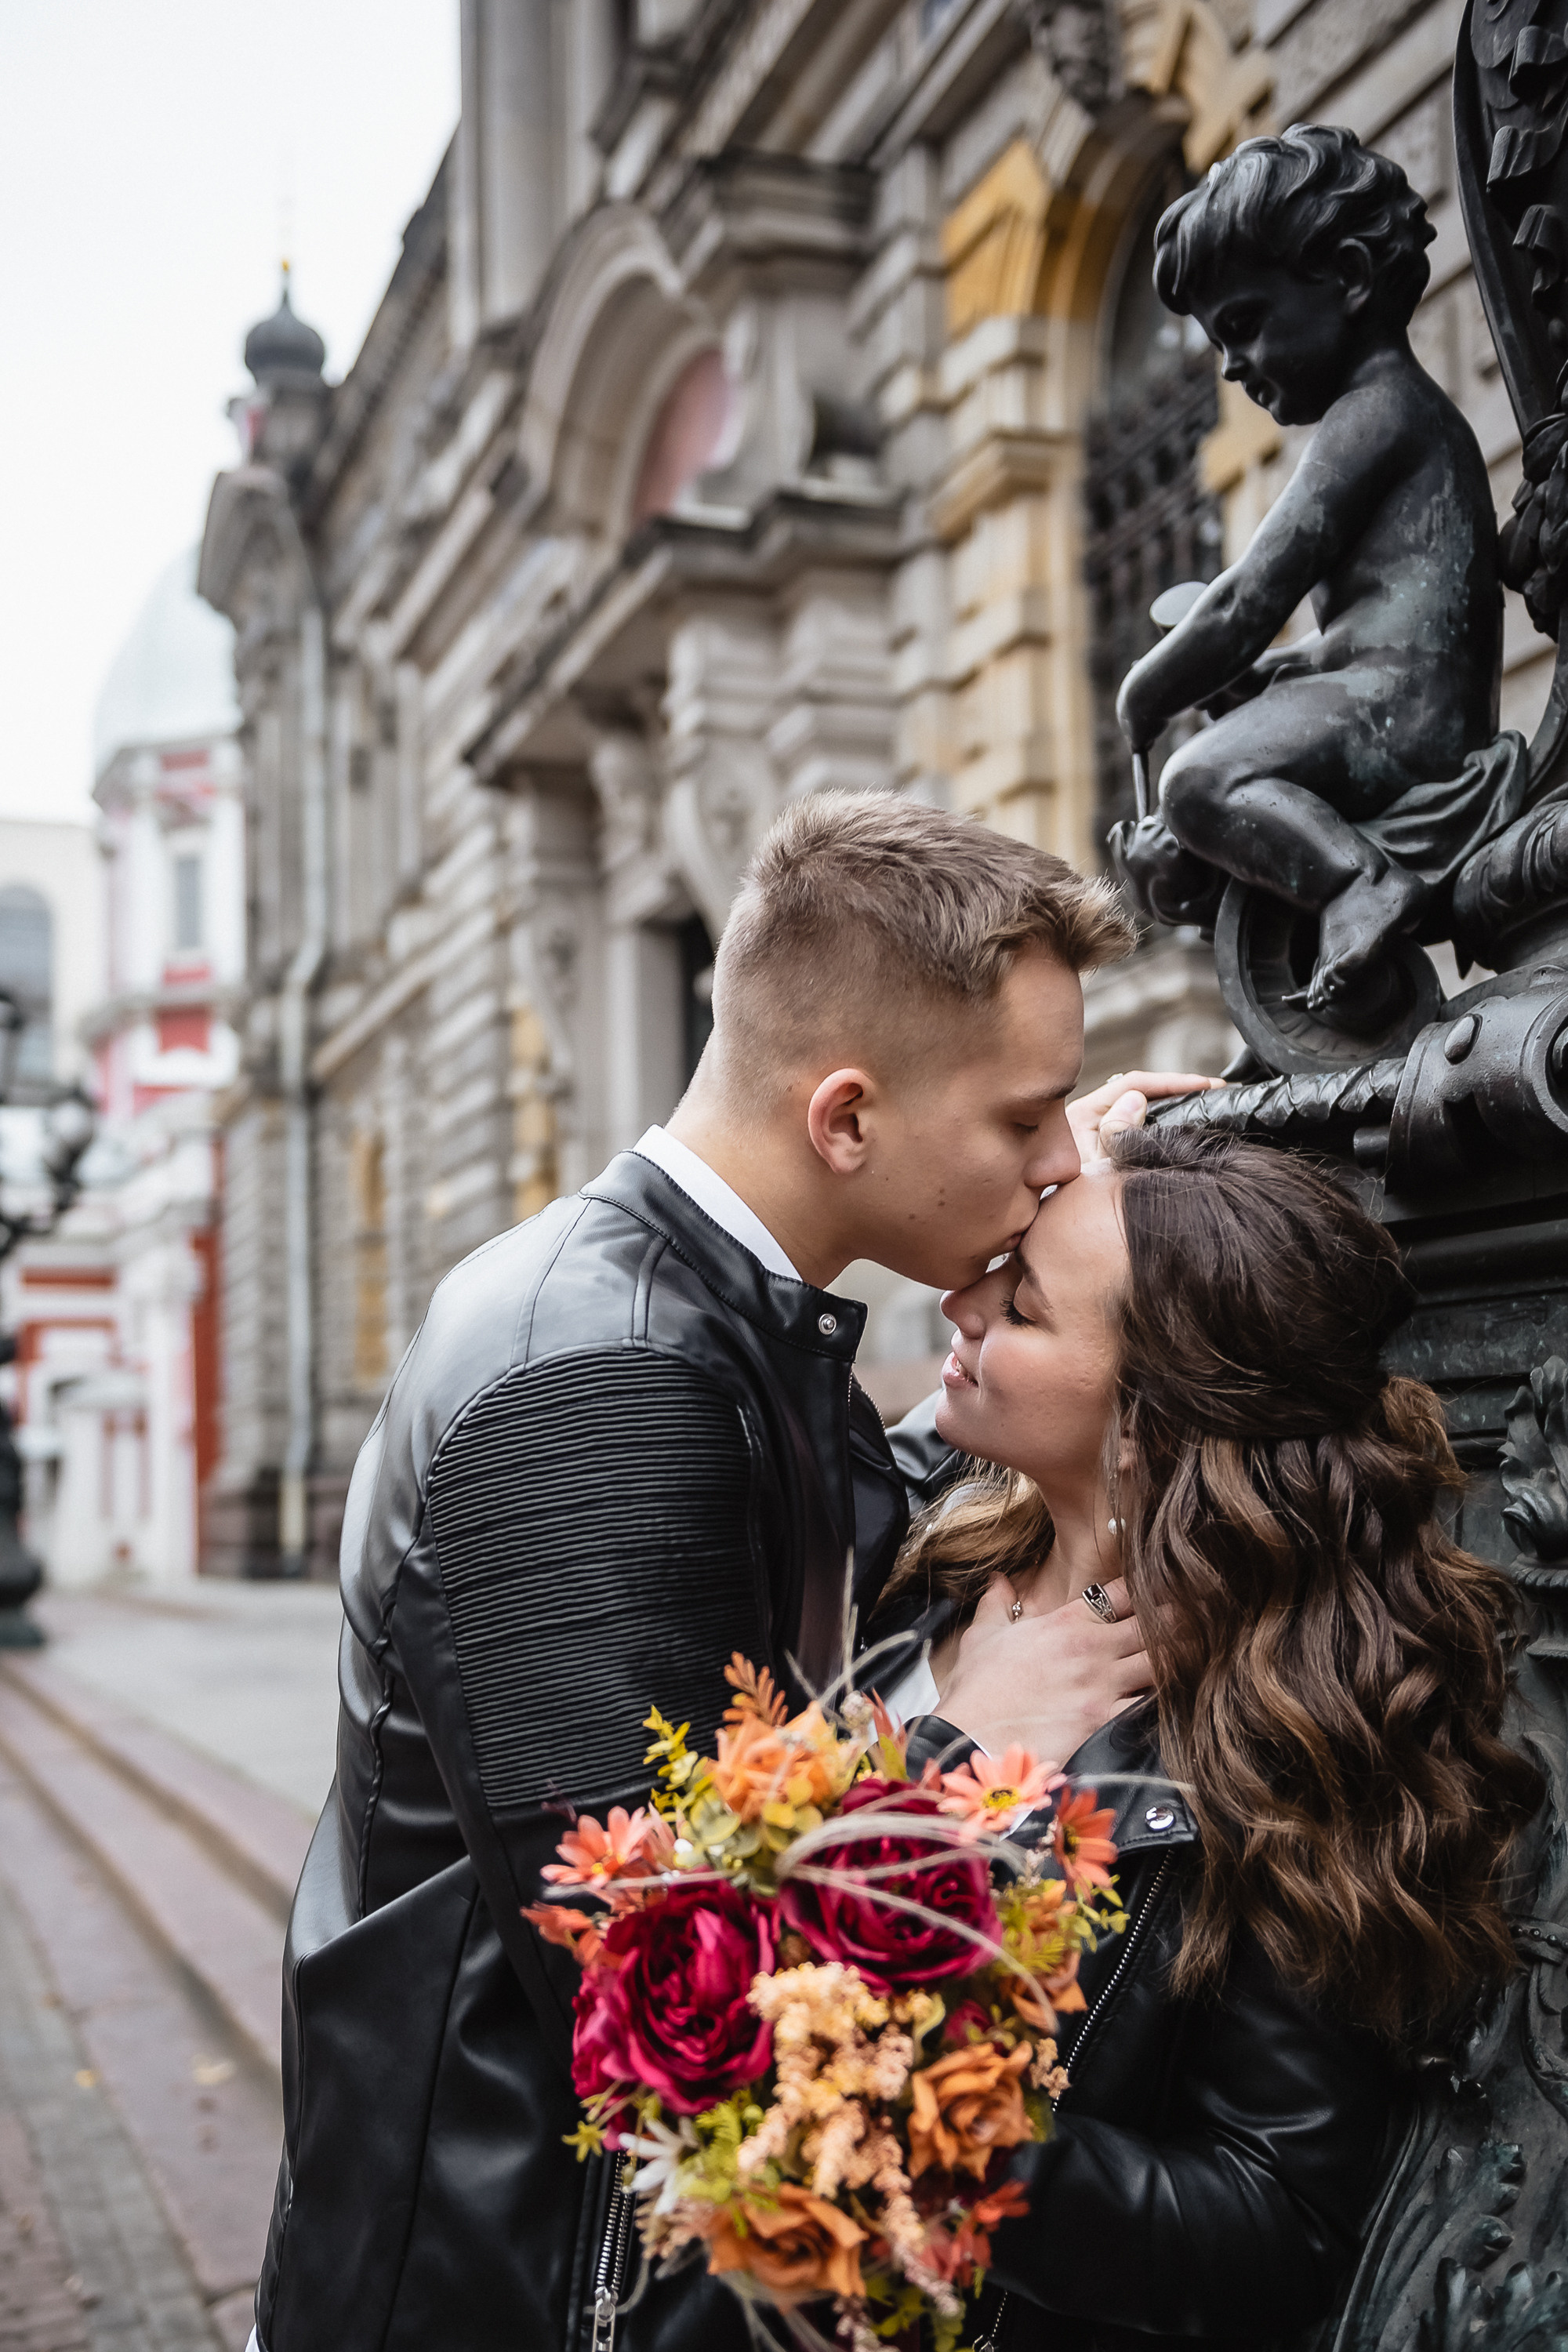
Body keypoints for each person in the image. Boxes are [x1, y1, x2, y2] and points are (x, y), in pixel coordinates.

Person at [247, 789, 1211, 2352]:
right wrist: (955, 1748)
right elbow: (661, 1972)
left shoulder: (694, 1308)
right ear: (847, 1120)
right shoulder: (604, 1383)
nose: (1055, 1162)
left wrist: (1075, 1261)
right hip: (511, 2293)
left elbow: (811, 1519)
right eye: (1023, 1120)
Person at [873, 1124, 1544, 2352]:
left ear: (1145, 1424)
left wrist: (929, 2129)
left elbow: (1271, 2221)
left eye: (1022, 1304)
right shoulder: (927, 1555)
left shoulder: (1274, 1739)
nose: (962, 1304)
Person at [1109, 125, 1526, 1016]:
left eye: (1243, 325)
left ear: (1347, 276)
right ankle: (1291, 1003)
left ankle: (1357, 883)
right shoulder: (1384, 415)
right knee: (1226, 794)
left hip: (1412, 716)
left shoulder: (1376, 413)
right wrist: (1268, 678)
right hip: (1391, 696)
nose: (1231, 367)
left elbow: (1246, 598)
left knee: (1197, 782)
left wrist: (1148, 690)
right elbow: (1365, 631)